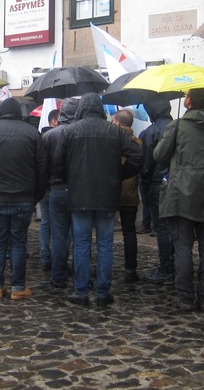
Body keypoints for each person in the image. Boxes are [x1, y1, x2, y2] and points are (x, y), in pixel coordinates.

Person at [155, 87, 204, 313]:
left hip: (183, 195)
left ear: (189, 101)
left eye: (187, 96)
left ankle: (186, 298)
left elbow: (159, 155)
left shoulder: (178, 125)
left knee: (183, 248)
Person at [59, 93, 142, 306]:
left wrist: (70, 178)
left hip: (80, 196)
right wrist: (120, 174)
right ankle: (103, 291)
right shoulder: (114, 131)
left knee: (82, 243)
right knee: (105, 244)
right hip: (107, 194)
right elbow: (138, 155)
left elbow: (57, 162)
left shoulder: (70, 131)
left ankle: (81, 290)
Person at [0, 97, 48, 299]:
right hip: (23, 198)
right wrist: (36, 195)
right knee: (18, 242)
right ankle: (17, 288)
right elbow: (42, 169)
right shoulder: (32, 134)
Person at [41, 97, 79, 289]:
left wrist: (45, 185)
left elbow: (43, 165)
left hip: (56, 189)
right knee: (79, 235)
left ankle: (58, 275)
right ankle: (79, 274)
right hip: (78, 190)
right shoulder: (80, 133)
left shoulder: (49, 135)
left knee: (59, 235)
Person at [139, 96, 174, 285]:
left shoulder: (150, 132)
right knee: (175, 227)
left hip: (157, 184)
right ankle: (176, 265)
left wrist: (145, 187)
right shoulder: (179, 127)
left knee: (161, 228)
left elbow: (146, 165)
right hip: (177, 183)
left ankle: (166, 268)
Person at [112, 109, 142, 283]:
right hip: (130, 193)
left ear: (116, 122)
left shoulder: (111, 141)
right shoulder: (137, 142)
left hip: (111, 191)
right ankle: (131, 269)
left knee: (105, 232)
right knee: (129, 232)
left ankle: (103, 267)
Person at [38, 108, 60, 271]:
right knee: (59, 224)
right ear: (53, 121)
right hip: (56, 186)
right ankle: (55, 258)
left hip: (46, 186)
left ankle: (45, 257)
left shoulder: (41, 138)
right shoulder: (62, 136)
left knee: (46, 223)